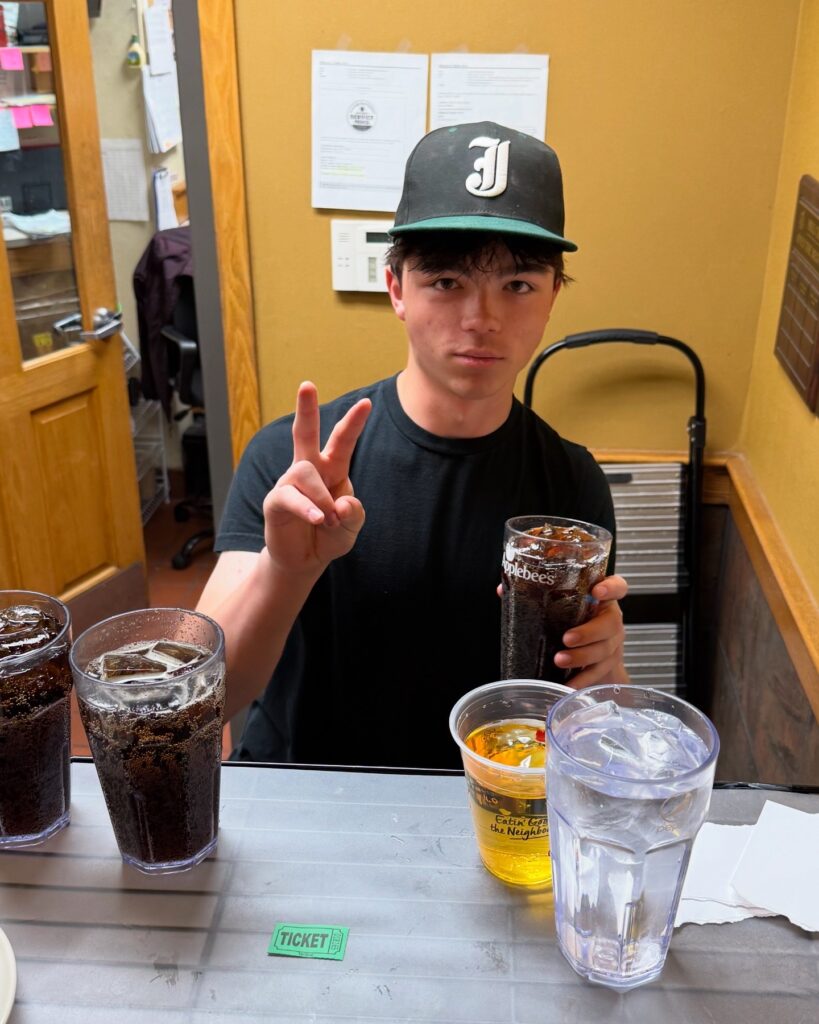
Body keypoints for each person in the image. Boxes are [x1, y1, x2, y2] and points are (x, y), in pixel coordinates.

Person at [197, 121, 628, 769]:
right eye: (446, 282)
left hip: (483, 808)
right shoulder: (294, 468)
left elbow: (581, 723)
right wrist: (287, 572)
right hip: (308, 801)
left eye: (517, 285)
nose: (481, 318)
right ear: (395, 287)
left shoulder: (570, 484)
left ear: (551, 298)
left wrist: (606, 668)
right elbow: (202, 702)